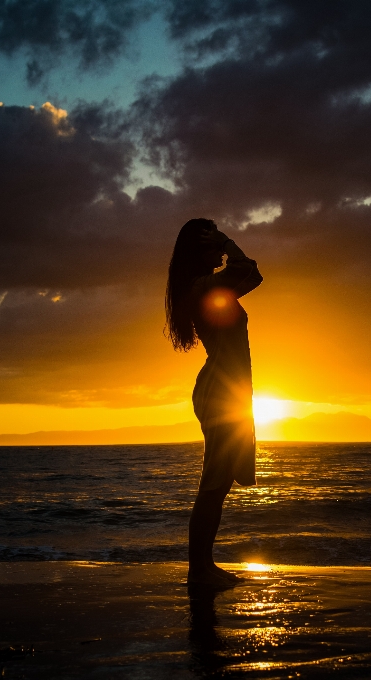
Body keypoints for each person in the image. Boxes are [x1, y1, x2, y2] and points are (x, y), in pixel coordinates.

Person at [165, 218, 263, 585]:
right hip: (221, 394)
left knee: (218, 484)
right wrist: (229, 240)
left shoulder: (209, 288)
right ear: (197, 251)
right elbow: (245, 270)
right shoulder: (203, 288)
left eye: (218, 245)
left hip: (227, 391)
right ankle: (199, 571)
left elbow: (251, 278)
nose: (219, 251)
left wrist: (223, 243)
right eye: (211, 245)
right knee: (213, 484)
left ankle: (204, 566)